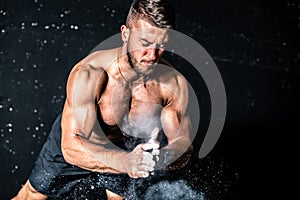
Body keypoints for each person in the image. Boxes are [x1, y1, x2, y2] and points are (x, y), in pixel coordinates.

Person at [12, 0, 194, 199]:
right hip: (81, 143)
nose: (152, 55)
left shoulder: (173, 85)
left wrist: (164, 157)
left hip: (124, 147)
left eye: (161, 45)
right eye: (144, 43)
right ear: (125, 34)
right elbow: (70, 147)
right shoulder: (90, 74)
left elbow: (182, 143)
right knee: (32, 196)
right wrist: (126, 163)